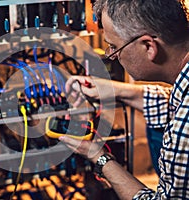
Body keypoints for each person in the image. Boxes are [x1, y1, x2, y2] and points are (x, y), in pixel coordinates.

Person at [59, 0, 189, 199]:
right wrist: (114, 90)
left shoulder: (183, 125)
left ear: (148, 46)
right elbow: (174, 103)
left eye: (114, 47)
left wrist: (98, 157)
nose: (111, 55)